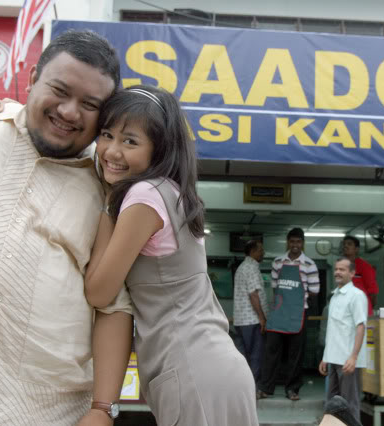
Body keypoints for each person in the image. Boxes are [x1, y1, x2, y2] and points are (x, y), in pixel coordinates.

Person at [0, 30, 133, 425]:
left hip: (45, 412)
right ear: (33, 77)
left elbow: (114, 305)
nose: (70, 112)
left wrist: (103, 409)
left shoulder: (108, 189)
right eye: (59, 89)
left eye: (90, 105)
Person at [83, 85, 258, 425]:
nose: (112, 151)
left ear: (158, 150)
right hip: (212, 366)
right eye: (107, 135)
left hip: (192, 369)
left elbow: (99, 291)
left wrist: (107, 201)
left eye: (130, 141)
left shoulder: (143, 196)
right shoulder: (173, 193)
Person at [257, 227, 320, 401]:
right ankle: (265, 388)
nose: (295, 245)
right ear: (288, 242)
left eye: (298, 242)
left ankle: (292, 389)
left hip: (299, 313)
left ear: (303, 243)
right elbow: (276, 287)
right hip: (279, 312)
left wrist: (298, 296)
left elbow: (315, 290)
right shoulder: (277, 262)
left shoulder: (310, 265)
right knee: (271, 352)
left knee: (295, 354)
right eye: (292, 241)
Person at [319, 258, 368, 425]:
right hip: (333, 358)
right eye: (336, 269)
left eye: (343, 269)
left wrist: (354, 356)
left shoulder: (357, 296)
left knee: (350, 405)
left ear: (352, 273)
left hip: (348, 361)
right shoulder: (334, 296)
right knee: (332, 405)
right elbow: (333, 330)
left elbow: (360, 327)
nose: (338, 272)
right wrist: (325, 357)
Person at [234, 239, 269, 383]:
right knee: (255, 355)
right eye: (261, 250)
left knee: (242, 356)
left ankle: (240, 386)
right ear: (253, 251)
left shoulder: (242, 267)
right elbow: (253, 294)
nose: (263, 253)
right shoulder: (252, 268)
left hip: (241, 320)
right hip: (252, 320)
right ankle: (252, 388)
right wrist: (262, 317)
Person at [342, 235, 378, 316]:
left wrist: (367, 309)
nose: (345, 246)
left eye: (349, 244)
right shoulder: (342, 267)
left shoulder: (364, 266)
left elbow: (373, 293)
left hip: (362, 311)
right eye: (344, 244)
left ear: (356, 249)